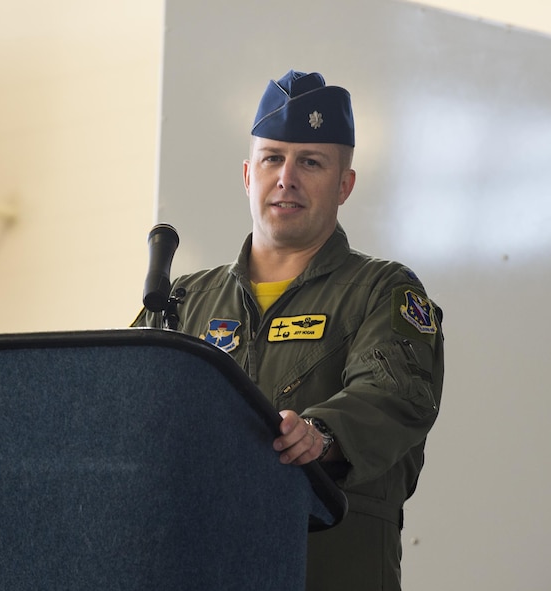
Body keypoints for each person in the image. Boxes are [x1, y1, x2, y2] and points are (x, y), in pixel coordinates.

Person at [133, 69, 444, 591]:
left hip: (325, 569)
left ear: (344, 184)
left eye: (311, 162)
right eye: (272, 158)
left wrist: (321, 435)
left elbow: (396, 395)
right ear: (248, 176)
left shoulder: (382, 290)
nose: (287, 177)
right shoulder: (183, 301)